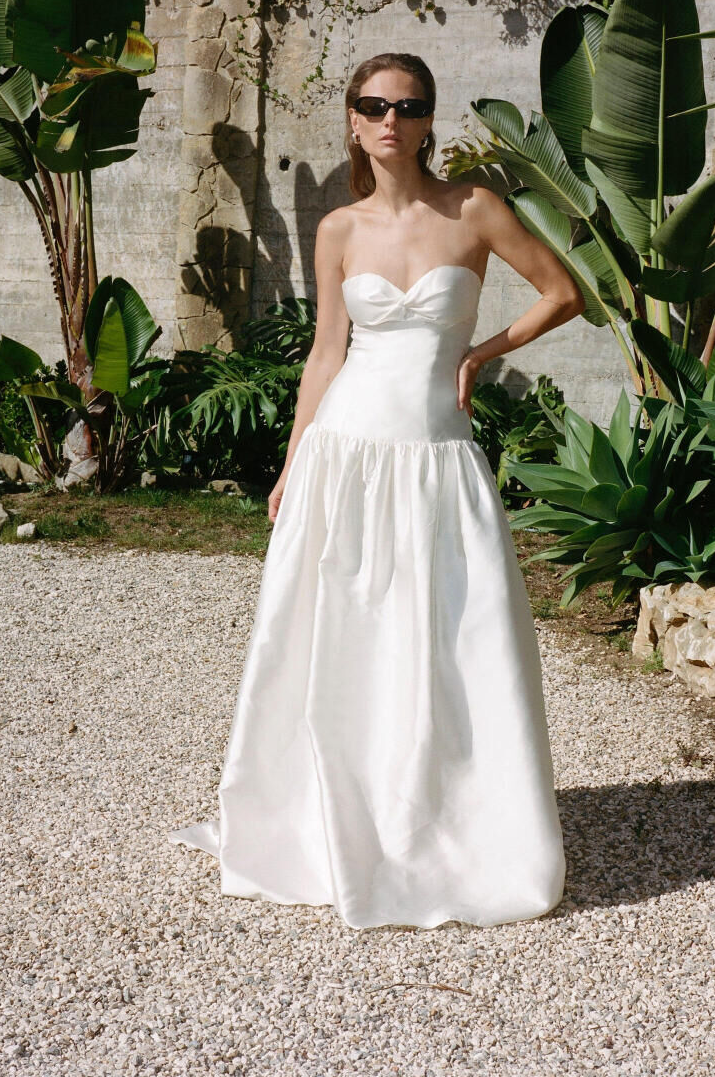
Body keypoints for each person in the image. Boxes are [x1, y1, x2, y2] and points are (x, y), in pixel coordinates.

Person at [168, 51, 585, 930]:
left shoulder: (475, 210)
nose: (391, 119)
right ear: (353, 120)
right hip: (345, 452)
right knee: (335, 637)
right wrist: (291, 464)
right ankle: (329, 815)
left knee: (450, 640)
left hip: (435, 455)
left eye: (409, 105)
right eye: (373, 105)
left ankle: (441, 821)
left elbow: (563, 292)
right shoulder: (339, 229)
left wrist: (482, 352)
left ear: (429, 119)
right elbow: (327, 353)